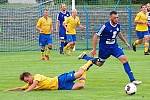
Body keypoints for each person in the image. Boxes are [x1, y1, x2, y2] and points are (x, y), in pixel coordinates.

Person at [78, 11, 142, 85]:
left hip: (114, 47)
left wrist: (126, 42)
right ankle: (85, 56)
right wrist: (94, 49)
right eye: (115, 18)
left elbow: (118, 33)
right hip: (104, 48)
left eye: (117, 17)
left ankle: (132, 80)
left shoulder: (118, 25)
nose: (116, 19)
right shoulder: (105, 26)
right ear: (110, 18)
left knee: (124, 59)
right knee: (99, 63)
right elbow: (95, 36)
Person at [6, 60, 93, 91]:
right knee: (81, 85)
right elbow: (20, 88)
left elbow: (34, 84)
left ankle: (89, 62)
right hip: (60, 87)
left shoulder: (37, 77)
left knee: (79, 73)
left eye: (27, 80)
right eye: (25, 81)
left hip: (60, 80)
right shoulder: (29, 85)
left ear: (30, 76)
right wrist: (9, 90)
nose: (27, 82)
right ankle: (85, 71)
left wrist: (26, 92)